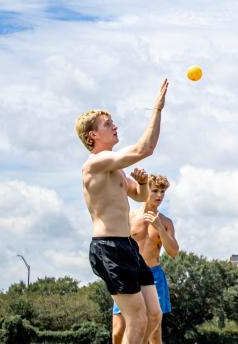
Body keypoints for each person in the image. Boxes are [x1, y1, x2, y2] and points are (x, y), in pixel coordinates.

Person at [77, 78, 168, 344]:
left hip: (127, 246)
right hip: (109, 248)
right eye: (108, 124)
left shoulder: (115, 170)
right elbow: (145, 149)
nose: (115, 126)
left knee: (154, 315)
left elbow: (139, 195)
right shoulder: (95, 164)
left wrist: (142, 183)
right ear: (92, 135)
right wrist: (157, 109)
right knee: (137, 320)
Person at [112, 174, 179, 344]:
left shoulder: (166, 222)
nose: (159, 195)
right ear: (146, 190)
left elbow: (173, 252)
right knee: (118, 330)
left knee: (154, 334)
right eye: (155, 191)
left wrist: (160, 229)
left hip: (154, 275)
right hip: (129, 275)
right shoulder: (130, 217)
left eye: (162, 192)